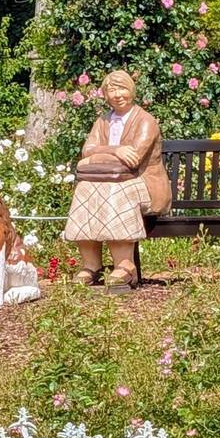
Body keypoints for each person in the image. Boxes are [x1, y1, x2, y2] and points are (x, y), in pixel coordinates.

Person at [65, 70, 168, 289]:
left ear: (131, 90)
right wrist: (116, 150)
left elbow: (132, 159)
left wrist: (96, 156)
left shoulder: (145, 121)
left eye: (121, 89)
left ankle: (125, 265)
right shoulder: (103, 120)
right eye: (111, 90)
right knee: (85, 189)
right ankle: (91, 265)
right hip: (108, 180)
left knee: (118, 192)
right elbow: (87, 150)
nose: (117, 95)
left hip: (143, 182)